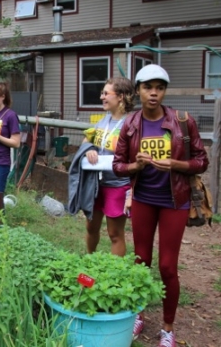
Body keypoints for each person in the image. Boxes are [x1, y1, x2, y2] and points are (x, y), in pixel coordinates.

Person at [113, 64, 208, 347]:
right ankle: (139, 314)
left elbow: (202, 160)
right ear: (138, 90)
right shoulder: (130, 124)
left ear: (164, 91)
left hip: (174, 201)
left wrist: (175, 164)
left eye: (160, 88)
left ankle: (167, 327)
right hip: (143, 199)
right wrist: (135, 164)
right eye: (148, 87)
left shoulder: (182, 121)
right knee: (141, 262)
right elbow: (118, 166)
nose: (154, 93)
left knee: (168, 267)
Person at [83, 77, 135, 256]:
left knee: (115, 233)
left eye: (106, 93)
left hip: (119, 185)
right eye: (102, 93)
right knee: (91, 227)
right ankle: (90, 260)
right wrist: (89, 150)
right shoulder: (102, 121)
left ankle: (115, 275)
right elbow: (86, 141)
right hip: (97, 185)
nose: (101, 97)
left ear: (120, 97)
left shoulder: (132, 124)